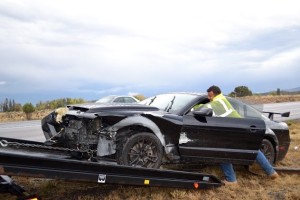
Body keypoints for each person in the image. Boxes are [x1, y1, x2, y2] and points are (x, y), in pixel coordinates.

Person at [203, 85, 279, 185]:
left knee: (223, 152)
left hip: (234, 130)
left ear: (215, 94)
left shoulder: (218, 102)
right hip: (241, 127)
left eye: (210, 96)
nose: (209, 98)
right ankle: (271, 172)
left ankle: (231, 180)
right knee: (252, 150)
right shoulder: (222, 99)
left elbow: (202, 108)